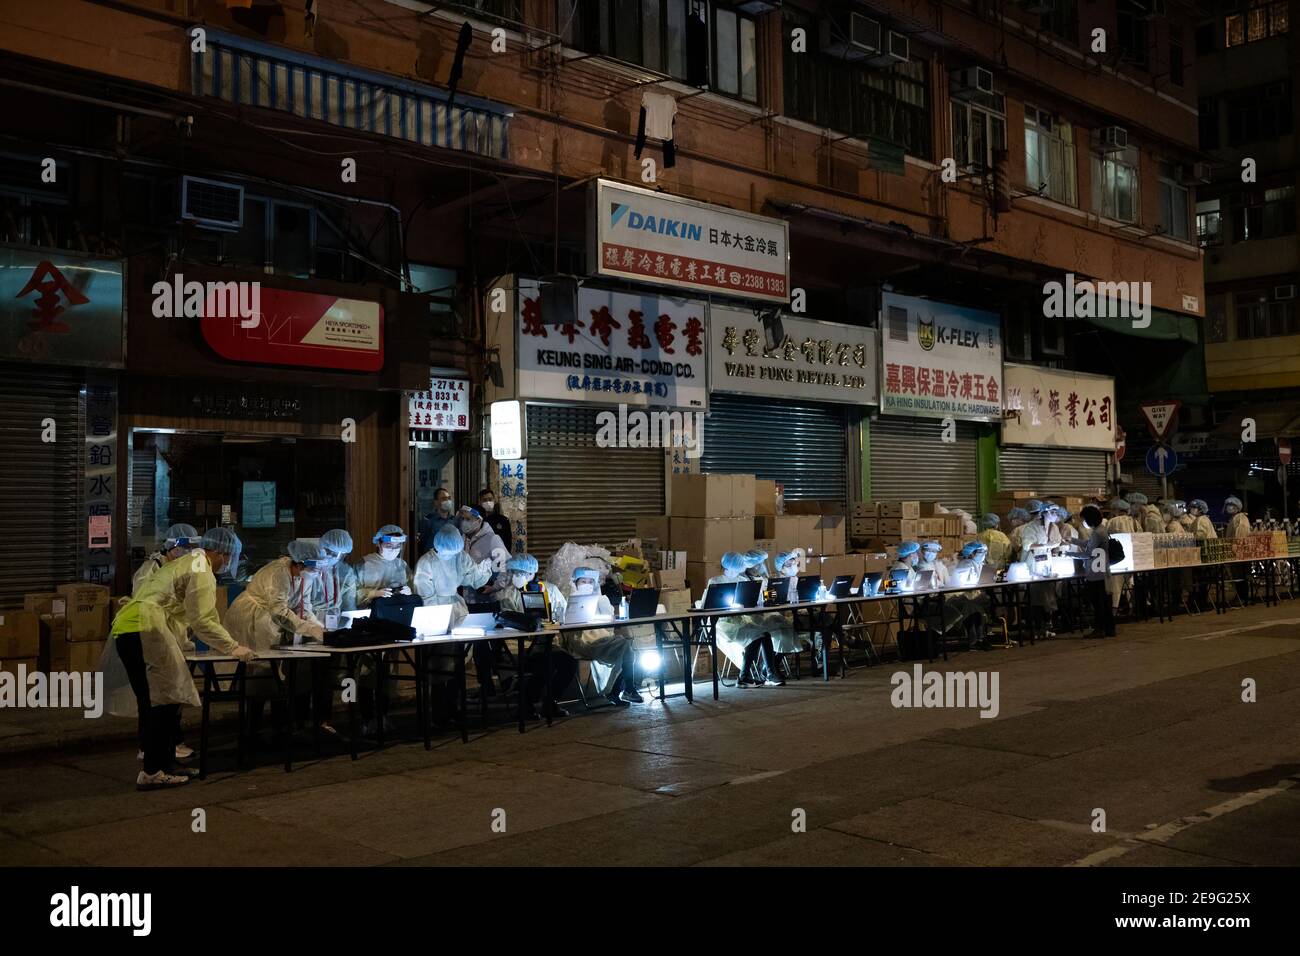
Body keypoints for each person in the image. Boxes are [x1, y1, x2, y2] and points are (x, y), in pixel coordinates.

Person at [103, 528, 255, 789]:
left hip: (132, 628)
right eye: (228, 557)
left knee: (161, 700)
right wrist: (233, 647)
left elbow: (173, 611)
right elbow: (203, 618)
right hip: (144, 629)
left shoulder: (187, 562)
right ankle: (153, 771)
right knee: (161, 701)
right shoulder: (201, 569)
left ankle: (164, 764)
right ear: (220, 552)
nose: (228, 563)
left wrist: (183, 644)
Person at [497, 554, 578, 718]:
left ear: (531, 573)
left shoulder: (550, 590)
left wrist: (552, 622)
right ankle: (526, 705)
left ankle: (551, 701)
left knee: (569, 664)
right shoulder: (507, 595)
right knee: (542, 665)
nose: (516, 576)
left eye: (521, 573)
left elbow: (565, 614)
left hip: (547, 644)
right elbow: (507, 623)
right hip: (520, 647)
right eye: (514, 572)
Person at [225, 539, 328, 654]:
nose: (318, 573)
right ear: (300, 564)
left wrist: (319, 628)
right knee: (251, 658)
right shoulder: (278, 573)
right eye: (316, 568)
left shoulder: (306, 576)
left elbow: (304, 607)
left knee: (268, 660)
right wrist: (309, 629)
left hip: (271, 616)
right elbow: (278, 611)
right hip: (250, 616)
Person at [562, 566, 644, 704]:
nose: (587, 585)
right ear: (575, 582)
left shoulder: (600, 599)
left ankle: (622, 690)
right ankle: (623, 690)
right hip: (582, 642)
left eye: (590, 581)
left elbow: (610, 618)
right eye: (583, 581)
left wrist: (601, 601)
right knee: (626, 648)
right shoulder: (570, 600)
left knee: (628, 649)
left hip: (603, 640)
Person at [706, 552, 783, 688]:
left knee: (765, 635)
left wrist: (766, 595)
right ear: (728, 566)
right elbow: (707, 606)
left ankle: (769, 674)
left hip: (741, 620)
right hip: (723, 624)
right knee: (756, 636)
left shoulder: (743, 580)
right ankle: (743, 677)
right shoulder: (715, 581)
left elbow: (756, 599)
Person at [307, 528, 357, 629]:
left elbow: (349, 604)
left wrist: (350, 626)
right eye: (329, 552)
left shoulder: (345, 571)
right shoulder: (307, 566)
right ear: (321, 546)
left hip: (335, 622)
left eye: (338, 555)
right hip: (307, 622)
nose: (332, 557)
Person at [354, 525, 414, 608]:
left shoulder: (402, 564)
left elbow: (412, 587)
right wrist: (375, 593)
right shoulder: (364, 563)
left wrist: (409, 592)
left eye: (398, 546)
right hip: (370, 612)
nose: (394, 550)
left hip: (398, 609)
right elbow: (353, 593)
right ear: (378, 543)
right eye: (389, 546)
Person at [455, 505, 508, 598]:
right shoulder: (462, 539)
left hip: (487, 597)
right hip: (467, 595)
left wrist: (496, 587)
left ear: (479, 521)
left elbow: (505, 565)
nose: (464, 522)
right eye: (463, 518)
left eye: (468, 519)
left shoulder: (492, 539)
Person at [132, 523, 200, 595]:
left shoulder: (186, 566)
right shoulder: (153, 566)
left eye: (192, 547)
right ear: (171, 546)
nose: (189, 551)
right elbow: (139, 593)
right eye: (186, 547)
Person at [1078, 505, 1115, 638]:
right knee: (1105, 602)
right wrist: (1070, 540)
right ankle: (1109, 629)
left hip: (1096, 573)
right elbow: (1089, 544)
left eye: (1084, 519)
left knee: (1098, 603)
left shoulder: (1097, 533)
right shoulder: (1101, 530)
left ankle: (1099, 629)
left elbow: (1088, 552)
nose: (1084, 522)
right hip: (1102, 571)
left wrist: (1068, 554)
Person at [418, 487, 458, 554]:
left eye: (449, 498)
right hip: (433, 559)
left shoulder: (454, 520)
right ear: (436, 502)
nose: (447, 501)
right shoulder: (428, 521)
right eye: (444, 499)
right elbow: (423, 543)